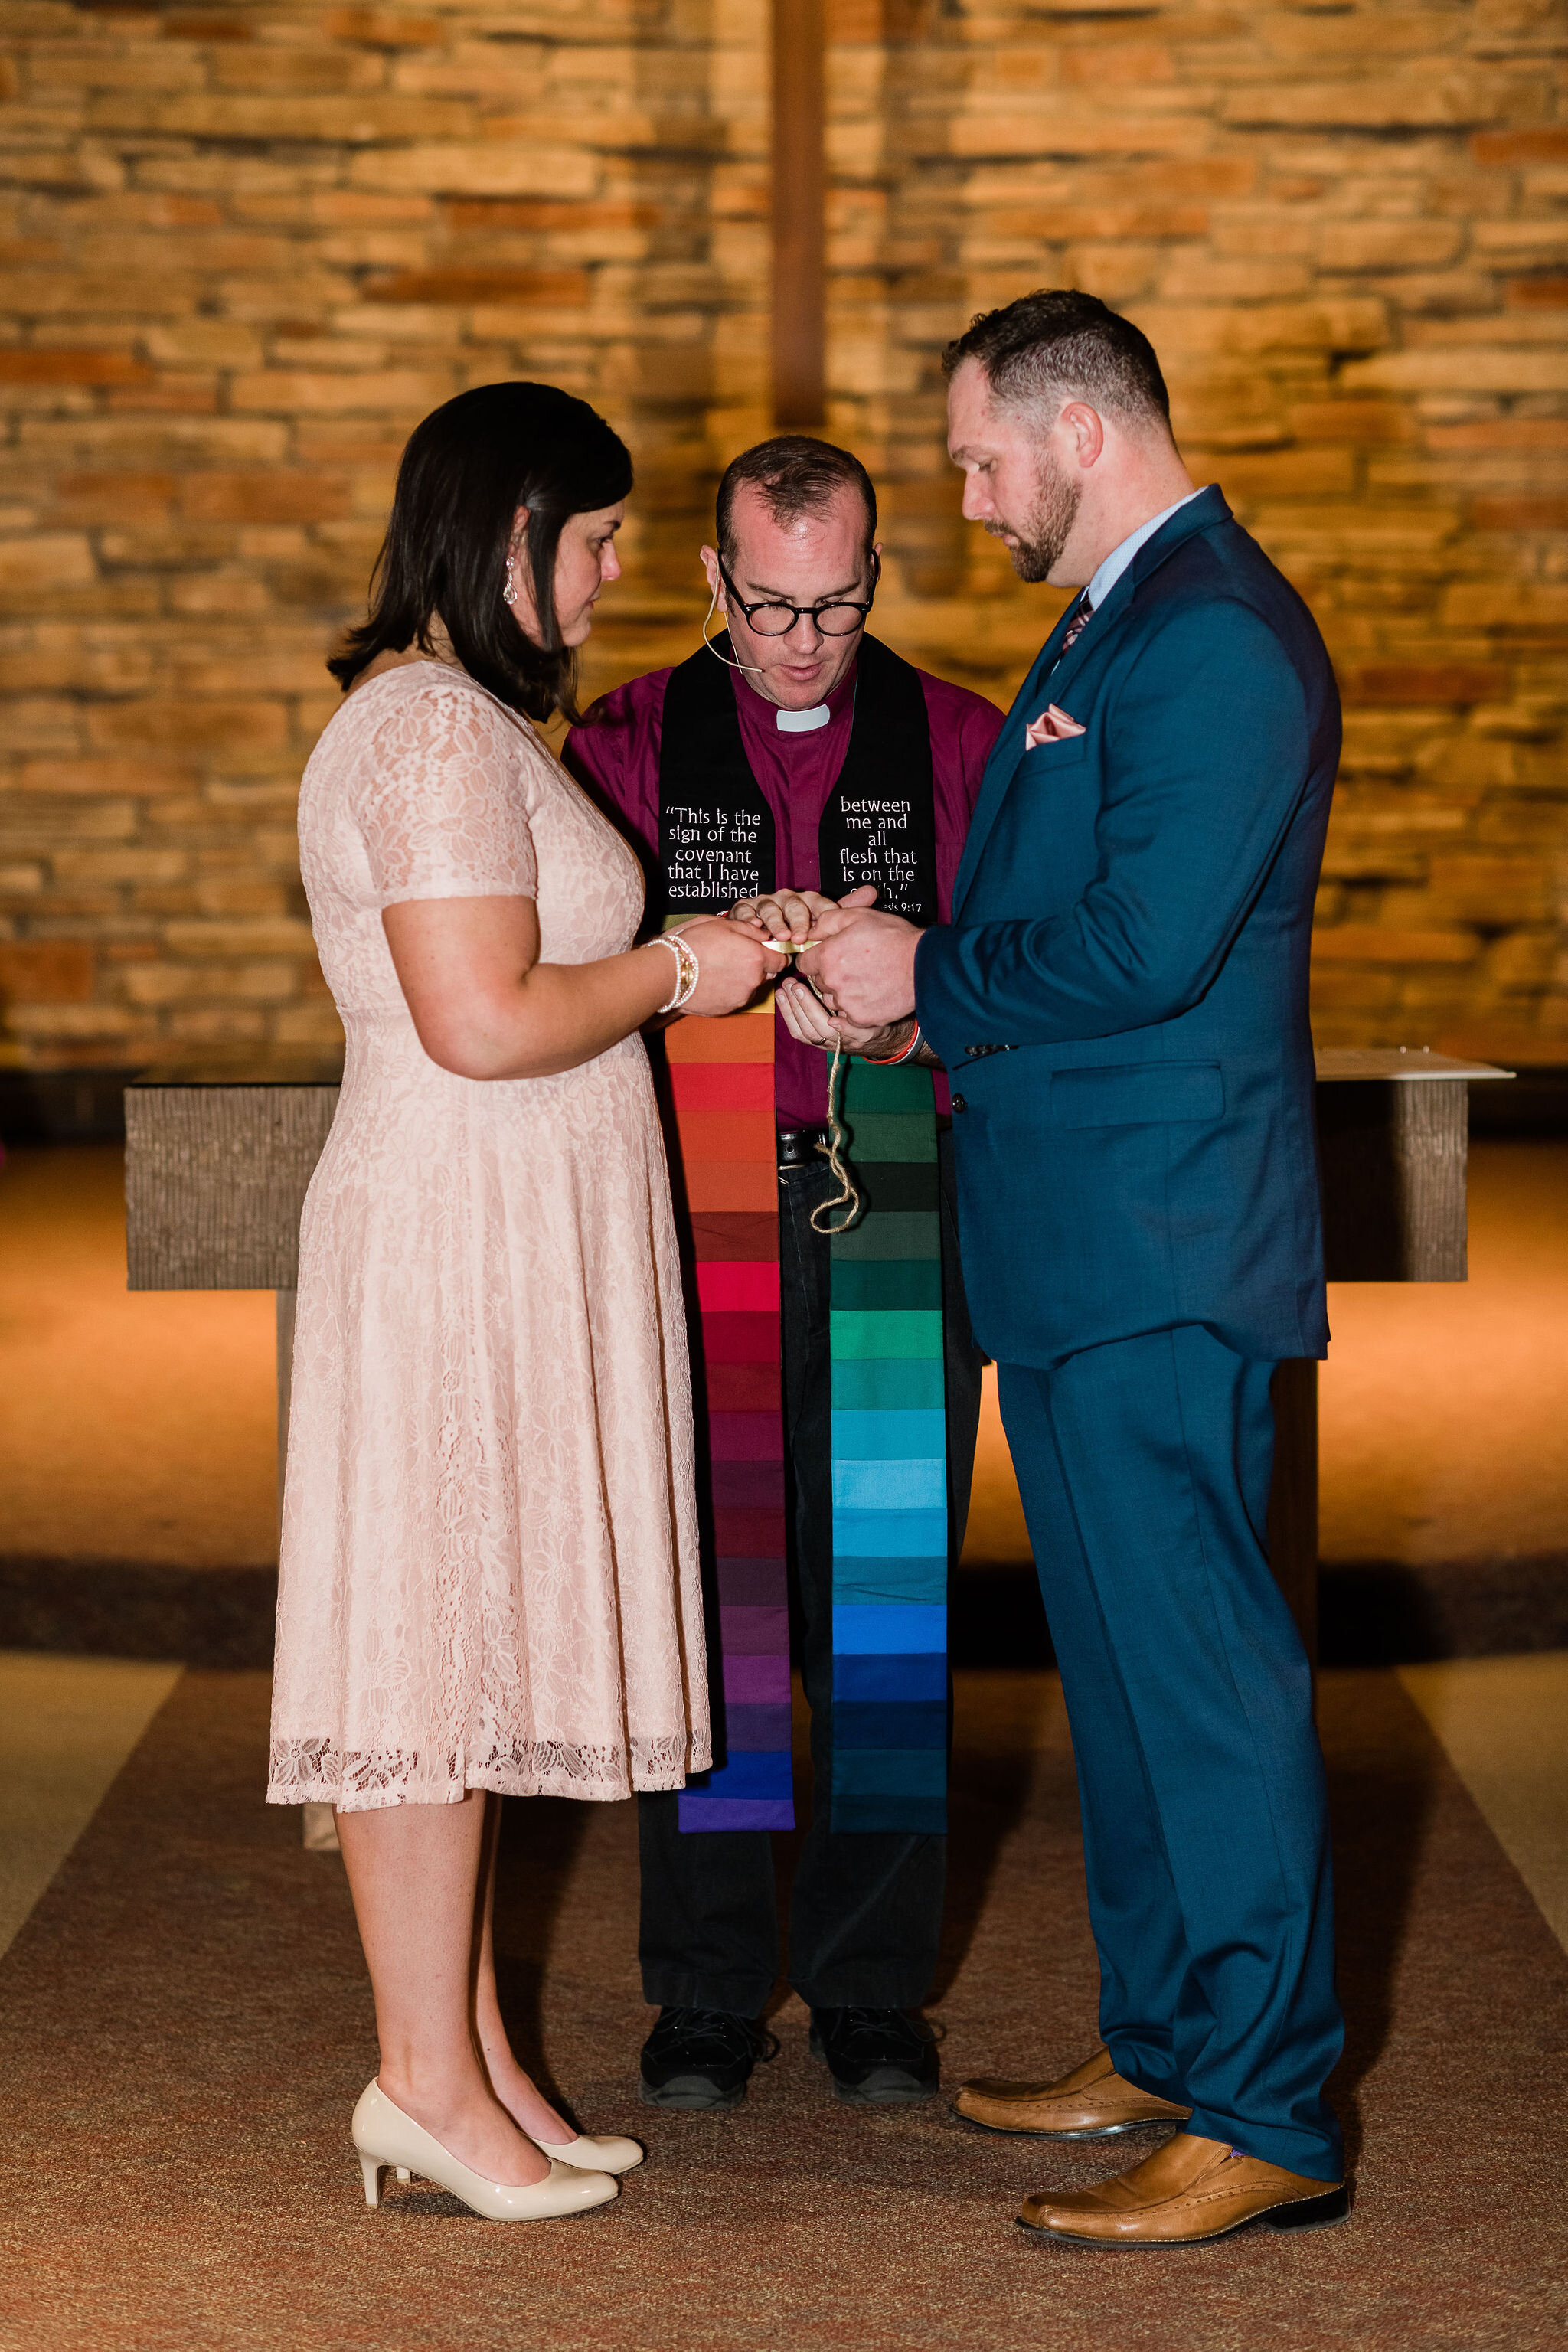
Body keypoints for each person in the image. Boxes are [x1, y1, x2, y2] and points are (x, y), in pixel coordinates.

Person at [799, 291, 1349, 2246]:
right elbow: (1064, 910)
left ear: (1081, 430)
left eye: (975, 456)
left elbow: (1145, 949)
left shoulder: (1205, 637)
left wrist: (922, 981)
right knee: (1119, 1683)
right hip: (1085, 1236)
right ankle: (1173, 2043)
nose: (964, 493)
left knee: (1203, 1687)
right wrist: (911, 961)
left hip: (1162, 1245)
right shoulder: (1124, 617)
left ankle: (1269, 2107)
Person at [266, 381, 778, 2223]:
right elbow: (478, 1020)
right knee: (429, 1649)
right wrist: (682, 963)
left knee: (472, 1642)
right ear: (504, 541)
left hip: (511, 1229)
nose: (617, 565)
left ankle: (469, 2065)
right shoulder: (420, 733)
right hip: (449, 1235)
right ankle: (418, 2080)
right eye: (595, 535)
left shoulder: (469, 725)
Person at [564, 436, 1003, 2113]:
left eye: (835, 604)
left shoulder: (959, 737)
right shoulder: (620, 743)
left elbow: (1010, 970)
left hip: (892, 1191)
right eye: (767, 607)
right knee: (718, 1612)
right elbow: (568, 977)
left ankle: (875, 1991)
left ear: (874, 573)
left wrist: (908, 1017)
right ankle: (703, 1993)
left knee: (884, 1622)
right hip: (695, 1211)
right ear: (709, 582)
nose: (803, 643)